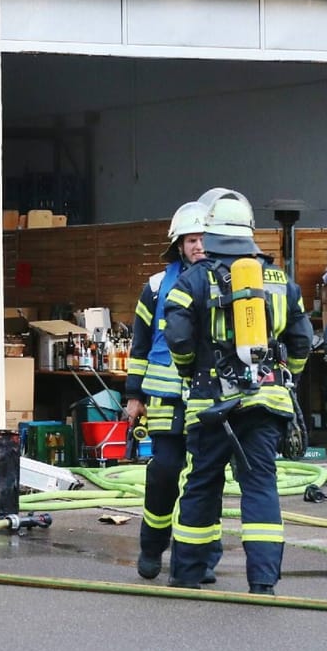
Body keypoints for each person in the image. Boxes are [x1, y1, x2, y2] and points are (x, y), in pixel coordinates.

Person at [162, 190, 312, 594]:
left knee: (201, 485)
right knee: (260, 485)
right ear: (249, 233)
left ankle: (188, 574)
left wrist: (190, 371)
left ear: (210, 234)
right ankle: (263, 580)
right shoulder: (281, 280)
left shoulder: (193, 278)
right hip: (266, 400)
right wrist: (287, 380)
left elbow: (176, 336)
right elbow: (302, 341)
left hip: (211, 403)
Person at [124, 195, 221, 582]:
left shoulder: (224, 280)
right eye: (190, 239)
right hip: (164, 399)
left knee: (205, 476)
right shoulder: (154, 287)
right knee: (165, 472)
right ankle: (152, 545)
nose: (198, 245)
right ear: (178, 244)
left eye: (203, 238)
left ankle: (201, 557)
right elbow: (140, 344)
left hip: (209, 396)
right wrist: (133, 395)